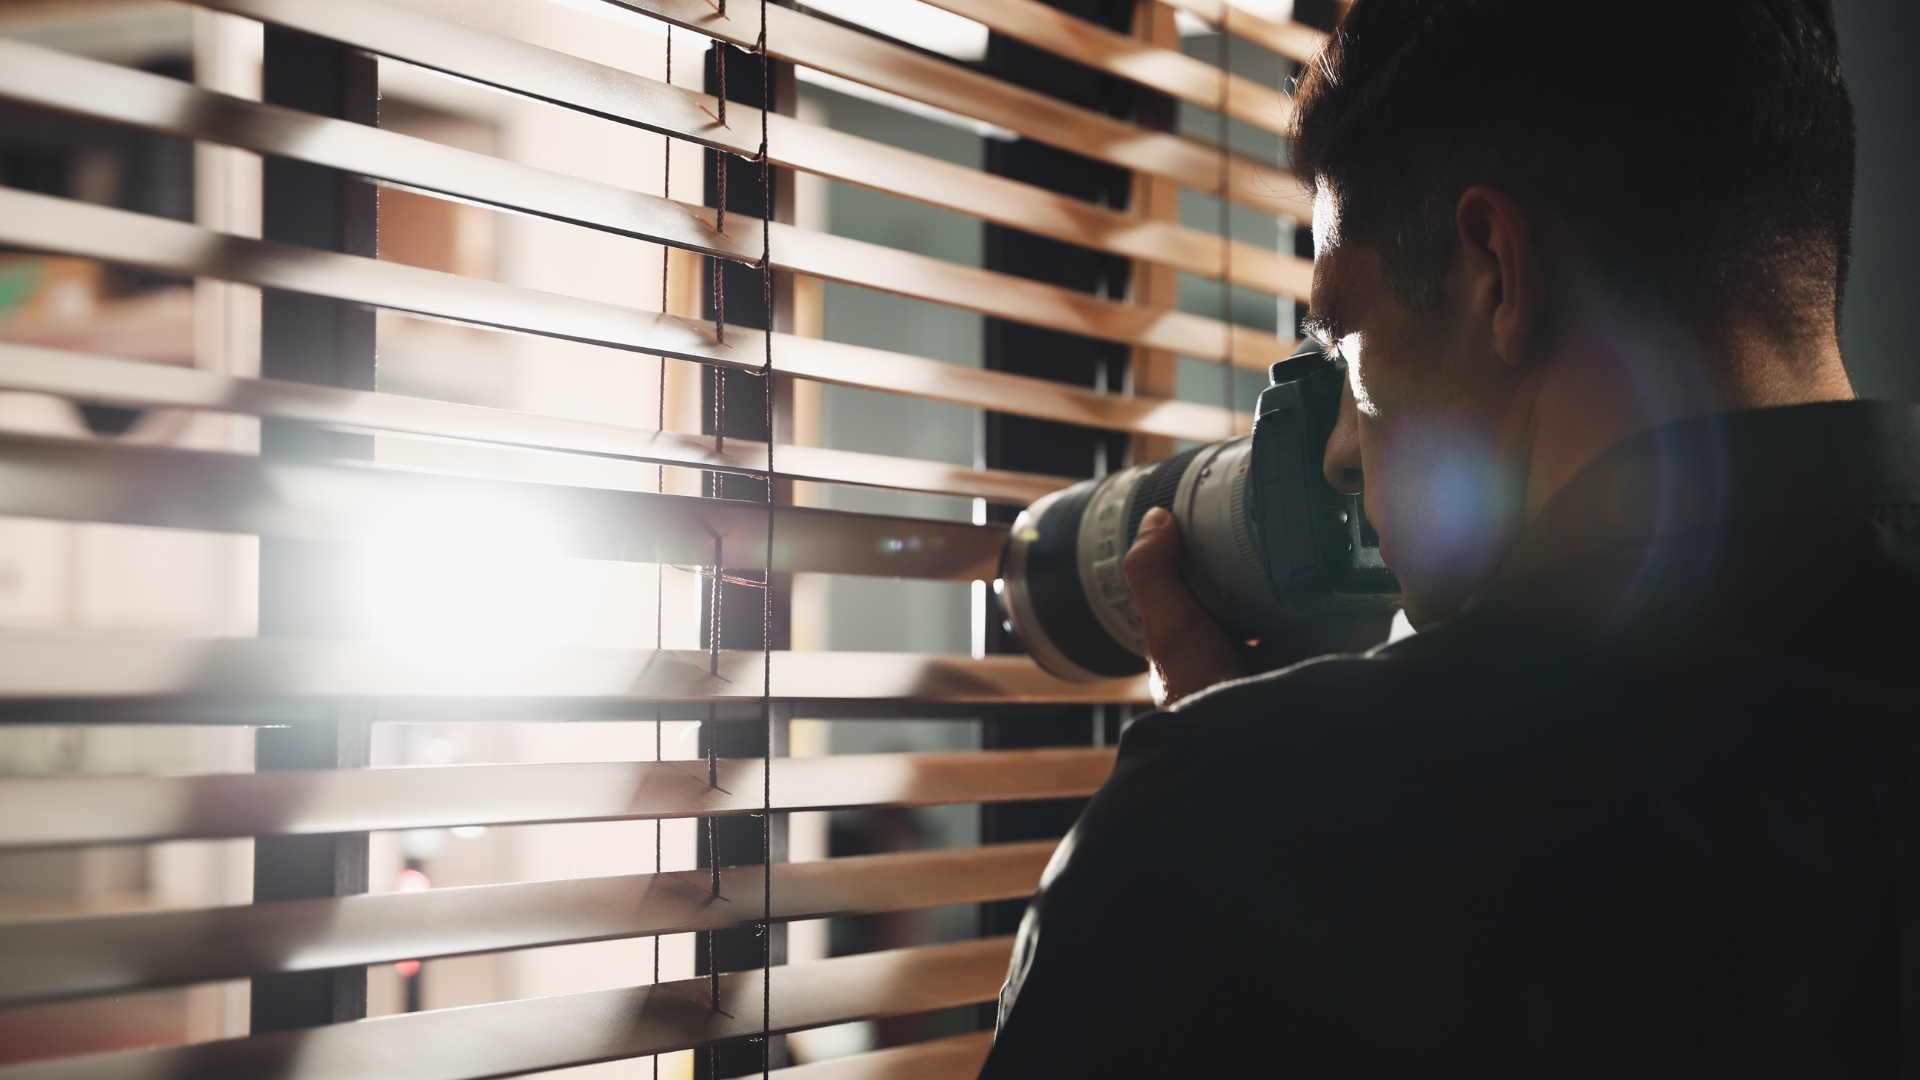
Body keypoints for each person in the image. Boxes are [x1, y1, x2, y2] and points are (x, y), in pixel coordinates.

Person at [977, 0, 1920, 1075]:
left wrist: (1239, 821)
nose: (1343, 443)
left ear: (1497, 272)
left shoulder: (1227, 829)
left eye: (1347, 335)